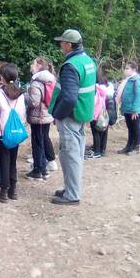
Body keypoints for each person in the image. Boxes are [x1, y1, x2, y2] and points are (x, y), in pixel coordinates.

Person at [50, 29, 96, 205]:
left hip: (70, 116)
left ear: (69, 45)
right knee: (72, 153)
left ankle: (72, 195)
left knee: (70, 154)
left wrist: (58, 115)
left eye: (62, 42)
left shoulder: (71, 65)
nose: (60, 45)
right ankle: (70, 188)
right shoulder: (87, 60)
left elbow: (69, 97)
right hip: (82, 113)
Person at [0, 63, 26, 203]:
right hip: (15, 132)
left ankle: (3, 191)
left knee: (3, 161)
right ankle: (13, 190)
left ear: (1, 78)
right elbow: (22, 114)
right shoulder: (20, 94)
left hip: (1, 133)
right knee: (12, 161)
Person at [26, 57, 56, 181]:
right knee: (43, 141)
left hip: (38, 117)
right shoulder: (51, 79)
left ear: (38, 66)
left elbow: (34, 101)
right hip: (47, 115)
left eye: (33, 64)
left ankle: (38, 170)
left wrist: (24, 96)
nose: (31, 66)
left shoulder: (37, 81)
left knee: (37, 143)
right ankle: (43, 169)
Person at [116, 61, 140, 155]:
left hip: (134, 110)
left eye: (127, 68)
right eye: (125, 68)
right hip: (127, 108)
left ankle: (136, 148)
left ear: (133, 70)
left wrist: (135, 110)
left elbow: (139, 96)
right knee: (130, 128)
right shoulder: (128, 80)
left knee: (136, 128)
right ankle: (129, 147)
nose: (125, 70)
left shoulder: (138, 80)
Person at [89, 71, 114, 158]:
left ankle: (97, 151)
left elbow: (93, 102)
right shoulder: (106, 88)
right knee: (104, 132)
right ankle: (103, 150)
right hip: (104, 113)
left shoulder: (94, 89)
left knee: (96, 133)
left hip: (95, 114)